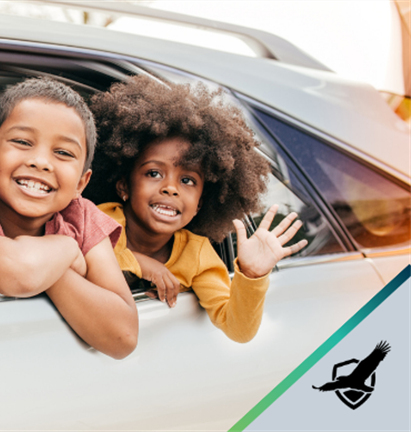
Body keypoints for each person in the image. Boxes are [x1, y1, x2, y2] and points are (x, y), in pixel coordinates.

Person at [86, 75, 308, 343]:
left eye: (188, 180)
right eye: (154, 173)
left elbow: (238, 329)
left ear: (200, 205)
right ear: (124, 186)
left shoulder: (198, 255)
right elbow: (75, 253)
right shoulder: (99, 217)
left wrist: (251, 275)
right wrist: (143, 265)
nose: (171, 188)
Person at [0, 77, 138, 359]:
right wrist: (67, 250)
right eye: (22, 141)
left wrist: (53, 270)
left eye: (63, 152)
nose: (41, 161)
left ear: (81, 183)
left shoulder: (81, 216)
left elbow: (123, 337)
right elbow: (18, 272)